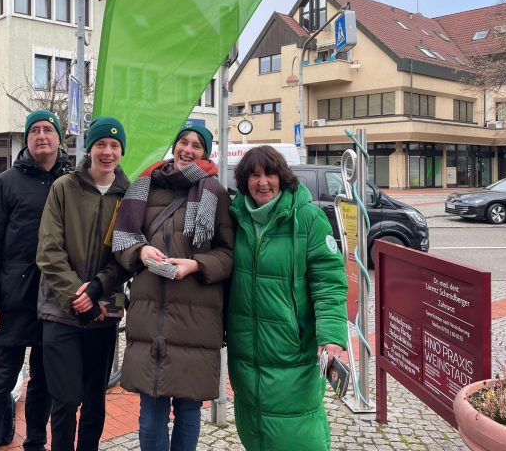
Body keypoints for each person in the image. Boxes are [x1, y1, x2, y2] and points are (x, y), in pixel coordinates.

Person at [112, 123, 234, 451]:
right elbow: (122, 240)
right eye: (183, 142)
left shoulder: (216, 192)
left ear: (205, 154)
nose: (188, 150)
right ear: (175, 146)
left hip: (196, 316)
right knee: (150, 408)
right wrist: (140, 250)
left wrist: (196, 264)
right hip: (151, 314)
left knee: (188, 407)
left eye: (197, 145)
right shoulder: (145, 186)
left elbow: (228, 255)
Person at [227, 145, 348, 451]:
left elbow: (329, 284)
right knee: (253, 431)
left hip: (291, 352)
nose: (262, 182)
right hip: (245, 351)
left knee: (298, 434)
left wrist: (331, 336)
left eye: (269, 174)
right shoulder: (234, 219)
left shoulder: (308, 219)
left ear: (283, 177)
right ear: (244, 182)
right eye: (254, 175)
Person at [0, 110, 70, 451]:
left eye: (48, 129)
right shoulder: (7, 182)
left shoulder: (70, 182)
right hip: (13, 299)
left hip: (53, 300)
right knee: (1, 380)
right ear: (27, 140)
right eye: (35, 130)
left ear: (58, 137)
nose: (42, 135)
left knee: (43, 381)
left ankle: (36, 444)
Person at [36, 116, 131, 451]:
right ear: (89, 148)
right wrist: (75, 294)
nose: (107, 152)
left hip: (105, 309)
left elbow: (127, 255)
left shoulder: (129, 194)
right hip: (61, 311)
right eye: (101, 144)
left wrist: (97, 289)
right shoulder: (64, 187)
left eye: (114, 146)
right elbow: (48, 250)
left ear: (121, 152)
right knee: (64, 399)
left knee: (95, 399)